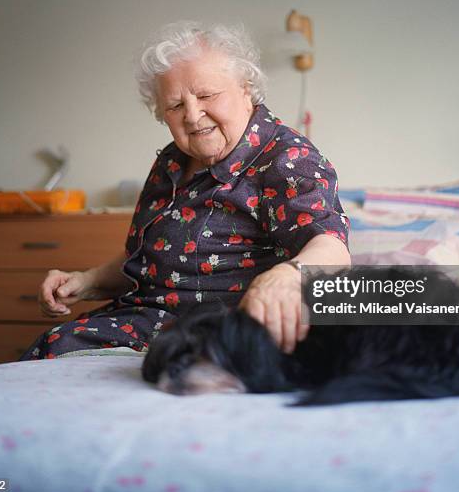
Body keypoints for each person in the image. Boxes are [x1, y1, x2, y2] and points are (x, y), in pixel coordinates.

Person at [20, 21, 350, 361]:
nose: (192, 116)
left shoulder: (287, 157)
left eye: (207, 95)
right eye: (175, 106)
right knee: (54, 345)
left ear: (246, 87)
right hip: (143, 322)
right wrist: (85, 282)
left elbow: (331, 247)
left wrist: (287, 277)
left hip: (224, 329)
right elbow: (151, 259)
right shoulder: (171, 161)